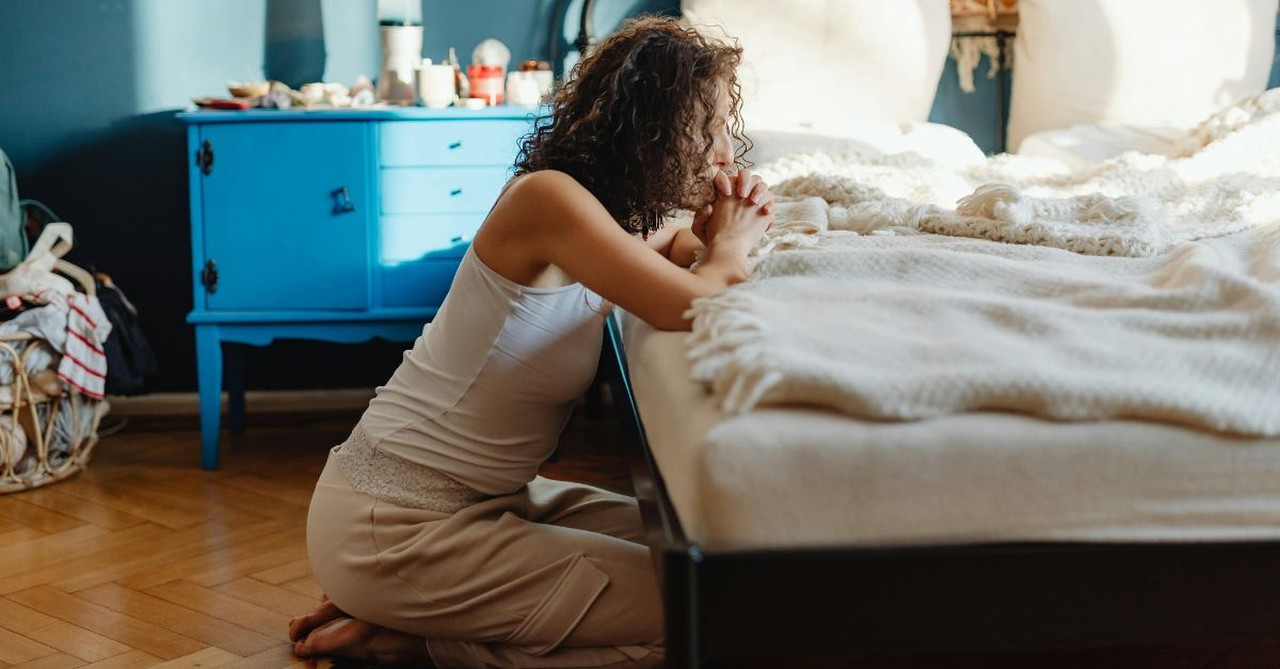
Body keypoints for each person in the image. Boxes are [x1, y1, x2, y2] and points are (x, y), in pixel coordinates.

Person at [288, 14, 773, 668]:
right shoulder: (547, 202)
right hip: (398, 524)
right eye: (707, 129)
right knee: (703, 617)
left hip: (492, 502)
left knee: (711, 551)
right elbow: (695, 302)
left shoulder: (606, 219)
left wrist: (715, 237)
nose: (725, 152)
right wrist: (734, 244)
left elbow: (680, 250)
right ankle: (416, 642)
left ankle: (404, 613)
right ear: (654, 130)